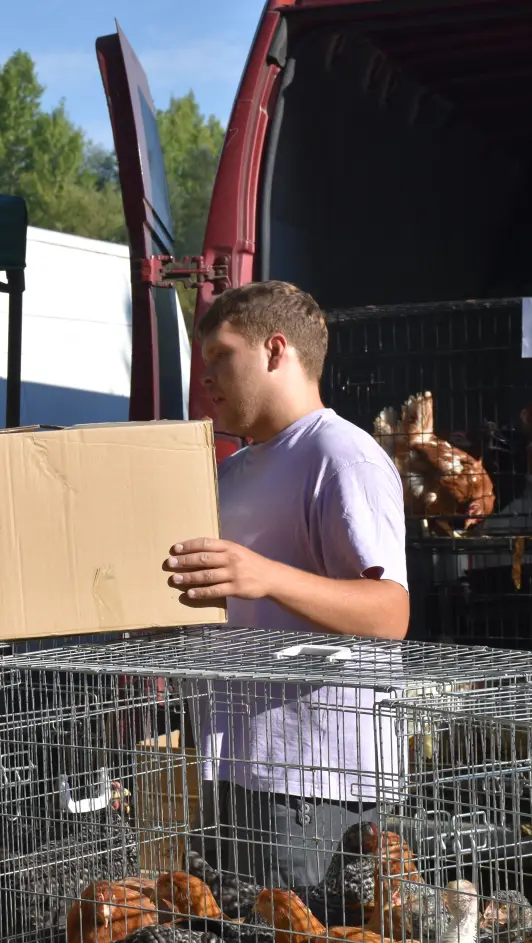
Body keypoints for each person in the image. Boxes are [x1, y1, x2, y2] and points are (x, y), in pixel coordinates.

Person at [164, 281, 410, 887]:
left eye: (221, 356)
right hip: (237, 771)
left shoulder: (340, 455)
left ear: (277, 351)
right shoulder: (234, 468)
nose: (206, 378)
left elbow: (389, 613)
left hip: (315, 788)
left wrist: (263, 576)